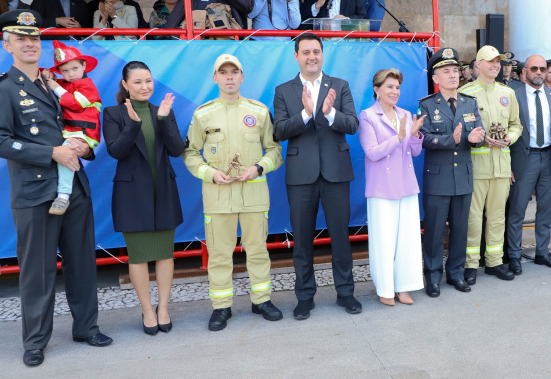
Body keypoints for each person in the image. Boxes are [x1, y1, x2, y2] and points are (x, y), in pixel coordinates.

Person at [0, 10, 111, 366]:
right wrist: (51, 152)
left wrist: (87, 146)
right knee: (37, 270)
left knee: (82, 262)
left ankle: (86, 327)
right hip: (34, 191)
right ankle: (35, 340)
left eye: (35, 38)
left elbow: (83, 123)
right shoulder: (0, 89)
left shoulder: (58, 83)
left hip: (74, 186)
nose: (29, 44)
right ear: (7, 45)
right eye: (21, 39)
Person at [184, 54, 283, 330]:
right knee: (218, 253)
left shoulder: (259, 111)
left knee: (258, 250)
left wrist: (260, 168)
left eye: (234, 72)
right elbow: (190, 153)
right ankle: (221, 307)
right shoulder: (202, 114)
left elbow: (275, 151)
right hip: (217, 197)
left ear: (242, 76)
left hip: (253, 194)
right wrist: (211, 174)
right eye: (223, 72)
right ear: (215, 78)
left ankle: (261, 300)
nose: (229, 77)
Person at [273, 33, 361, 319]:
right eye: (306, 52)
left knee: (341, 238)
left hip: (336, 172)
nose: (312, 56)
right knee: (301, 239)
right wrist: (307, 115)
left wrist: (329, 112)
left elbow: (352, 124)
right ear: (296, 56)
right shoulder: (284, 90)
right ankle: (304, 297)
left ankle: (346, 293)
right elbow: (280, 131)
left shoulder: (340, 85)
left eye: (317, 51)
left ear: (323, 54)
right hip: (301, 176)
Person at [104, 61, 185, 335]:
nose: (144, 86)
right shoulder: (113, 113)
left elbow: (176, 150)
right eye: (137, 82)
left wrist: (163, 119)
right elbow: (116, 151)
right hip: (131, 195)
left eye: (148, 80)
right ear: (125, 85)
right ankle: (147, 310)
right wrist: (134, 125)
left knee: (164, 254)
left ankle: (163, 308)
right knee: (138, 256)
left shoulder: (162, 111)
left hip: (163, 191)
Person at [419, 48, 485, 296]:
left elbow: (477, 132)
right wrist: (451, 139)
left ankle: (455, 274)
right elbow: (423, 139)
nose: (453, 75)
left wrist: (477, 137)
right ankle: (433, 277)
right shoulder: (426, 105)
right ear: (435, 78)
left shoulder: (470, 102)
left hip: (463, 177)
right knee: (435, 231)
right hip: (438, 178)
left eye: (455, 71)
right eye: (446, 71)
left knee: (460, 229)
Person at [358, 69, 425, 305]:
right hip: (381, 187)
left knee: (407, 239)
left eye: (397, 87)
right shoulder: (368, 116)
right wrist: (397, 137)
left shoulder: (405, 114)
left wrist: (415, 135)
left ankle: (404, 287)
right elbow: (372, 153)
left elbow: (414, 152)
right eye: (389, 87)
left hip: (406, 184)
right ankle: (385, 288)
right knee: (383, 240)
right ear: (376, 89)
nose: (394, 91)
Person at [458, 45, 522, 284]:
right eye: (491, 61)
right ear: (478, 64)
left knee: (497, 216)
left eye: (498, 62)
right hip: (477, 165)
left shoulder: (508, 93)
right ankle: (470, 264)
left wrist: (510, 137)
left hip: (501, 165)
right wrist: (479, 137)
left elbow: (517, 124)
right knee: (473, 217)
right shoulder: (466, 92)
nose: (496, 65)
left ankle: (494, 261)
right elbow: (462, 127)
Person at [506, 55, 551, 272]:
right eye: (534, 68)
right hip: (524, 159)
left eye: (543, 68)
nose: (539, 72)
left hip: (549, 159)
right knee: (517, 209)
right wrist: (507, 166)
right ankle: (514, 255)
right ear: (525, 72)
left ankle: (542, 252)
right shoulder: (513, 95)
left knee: (546, 209)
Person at [41, 41, 103, 216]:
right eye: (65, 71)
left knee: (66, 155)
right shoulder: (66, 83)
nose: (71, 74)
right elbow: (40, 76)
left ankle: (63, 195)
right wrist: (46, 73)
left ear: (84, 65)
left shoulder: (87, 85)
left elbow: (75, 103)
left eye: (75, 68)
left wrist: (56, 87)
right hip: (71, 132)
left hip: (84, 134)